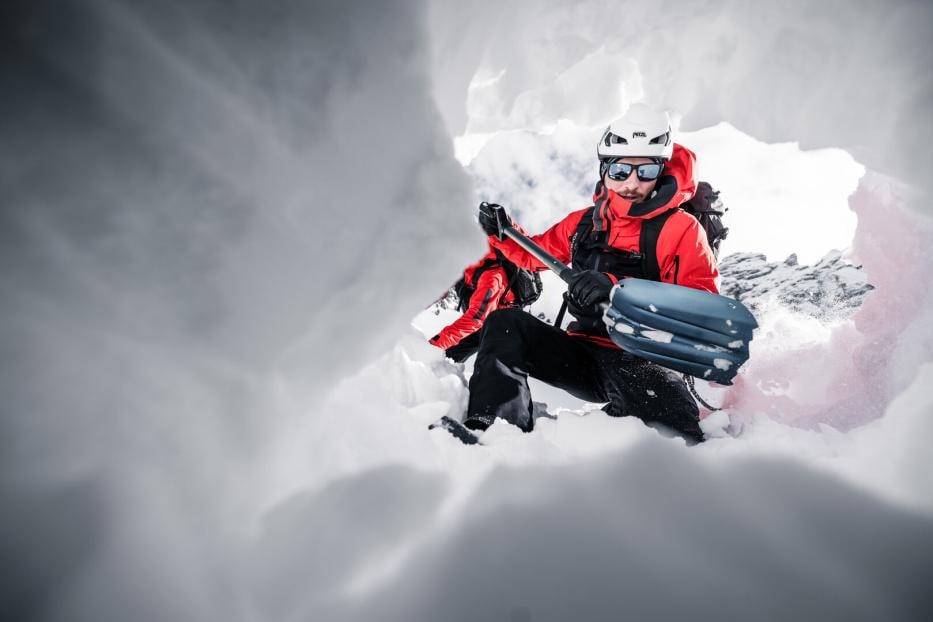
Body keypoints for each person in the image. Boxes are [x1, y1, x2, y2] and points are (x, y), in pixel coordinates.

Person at [444, 104, 719, 444]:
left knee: (667, 415)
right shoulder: (584, 224)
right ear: (605, 169)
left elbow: (703, 308)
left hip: (640, 358)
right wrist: (502, 230)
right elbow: (533, 255)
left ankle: (641, 436)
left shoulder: (681, 229)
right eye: (620, 170)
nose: (632, 183)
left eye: (646, 171)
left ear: (661, 171)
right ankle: (494, 429)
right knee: (505, 322)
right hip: (581, 355)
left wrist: (617, 289)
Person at [428, 249, 520, 362]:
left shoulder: (492, 278)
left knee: (454, 351)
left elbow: (476, 319)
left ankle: (440, 364)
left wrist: (435, 345)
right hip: (479, 311)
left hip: (496, 323)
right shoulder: (471, 264)